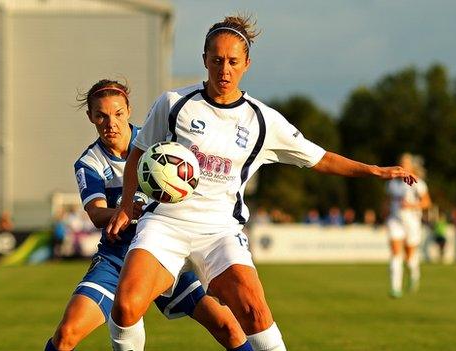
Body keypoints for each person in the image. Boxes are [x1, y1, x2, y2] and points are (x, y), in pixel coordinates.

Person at [108, 15, 416, 351]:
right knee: (125, 307)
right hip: (166, 224)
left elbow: (321, 157)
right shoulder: (173, 103)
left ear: (247, 64)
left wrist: (375, 171)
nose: (224, 70)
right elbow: (138, 153)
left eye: (233, 62)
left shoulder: (262, 120)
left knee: (255, 312)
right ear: (204, 61)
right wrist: (126, 206)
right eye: (216, 60)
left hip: (219, 231)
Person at [44, 79, 250, 351]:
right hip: (117, 258)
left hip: (165, 254)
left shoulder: (158, 145)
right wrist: (126, 210)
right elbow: (95, 214)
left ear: (129, 110)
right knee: (66, 335)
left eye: (117, 114)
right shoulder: (90, 162)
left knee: (230, 328)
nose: (111, 123)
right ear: (91, 117)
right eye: (101, 116)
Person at [385, 153, 431, 298]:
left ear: (411, 166)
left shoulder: (417, 182)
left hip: (412, 221)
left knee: (410, 258)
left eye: (406, 163)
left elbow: (426, 202)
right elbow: (387, 201)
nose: (403, 166)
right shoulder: (391, 183)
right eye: (401, 163)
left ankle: (413, 273)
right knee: (395, 253)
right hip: (395, 220)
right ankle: (395, 287)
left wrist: (411, 205)